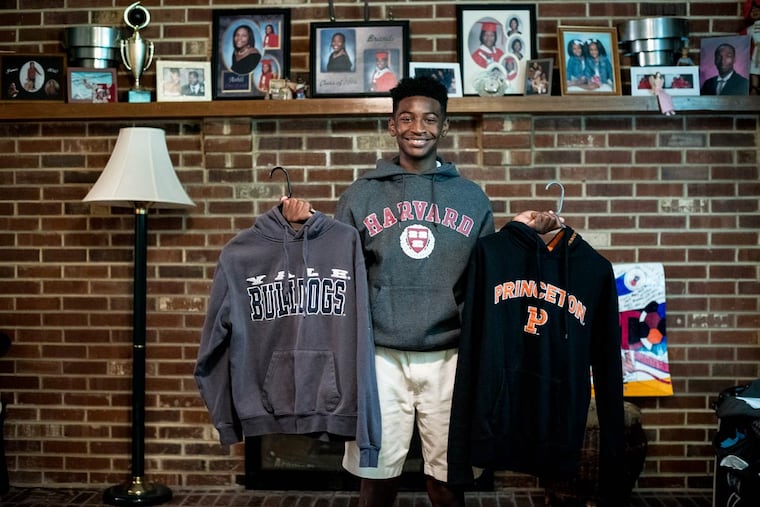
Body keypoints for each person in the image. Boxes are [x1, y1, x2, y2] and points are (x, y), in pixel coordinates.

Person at [280, 76, 563, 507]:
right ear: (392, 126)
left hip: (450, 355)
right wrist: (302, 228)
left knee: (447, 478)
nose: (418, 127)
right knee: (377, 476)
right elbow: (335, 268)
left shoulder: (471, 198)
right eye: (407, 118)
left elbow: (488, 274)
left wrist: (520, 233)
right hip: (379, 354)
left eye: (430, 119)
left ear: (444, 127)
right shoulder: (361, 194)